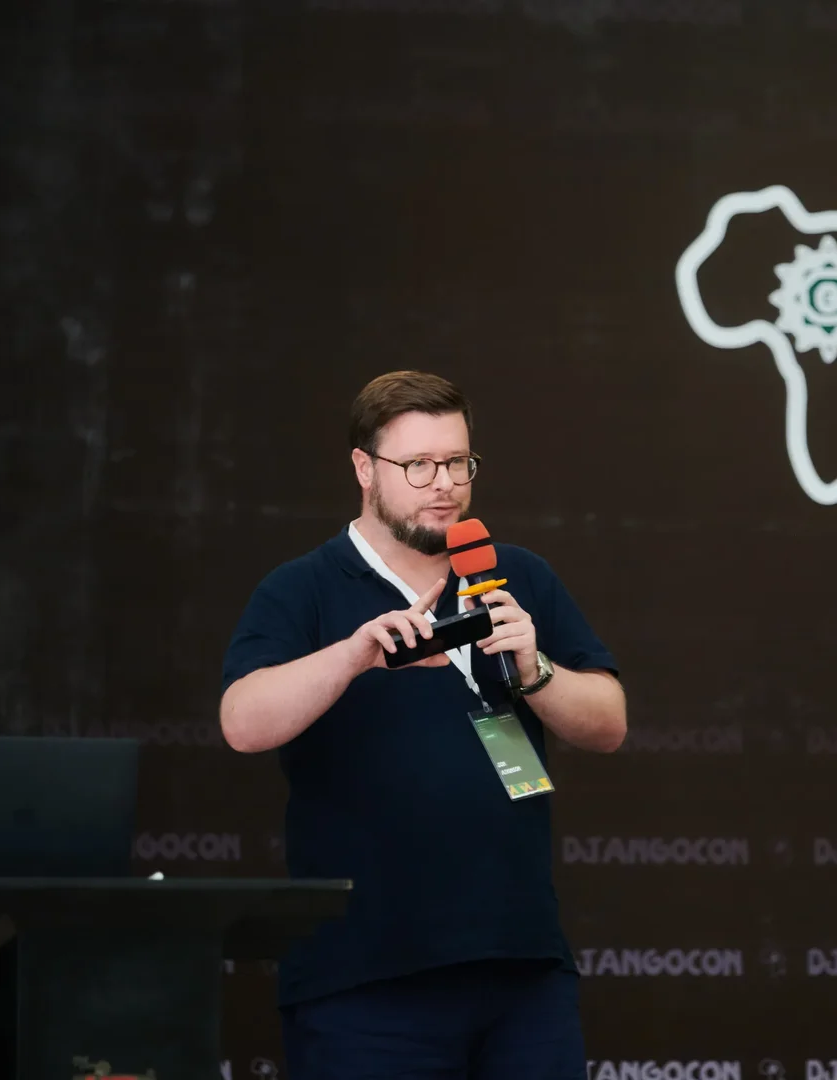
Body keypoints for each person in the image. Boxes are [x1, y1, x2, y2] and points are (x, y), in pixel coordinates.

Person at [219, 370, 628, 1079]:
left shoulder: (516, 575)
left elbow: (608, 723)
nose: (444, 484)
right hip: (365, 976)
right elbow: (242, 722)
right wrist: (351, 658)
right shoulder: (305, 587)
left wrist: (536, 670)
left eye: (458, 463)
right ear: (364, 470)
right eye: (418, 466)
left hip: (521, 963)